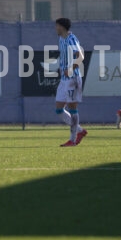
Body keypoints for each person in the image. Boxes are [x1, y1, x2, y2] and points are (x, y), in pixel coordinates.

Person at [54, 18, 88, 147]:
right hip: (64, 79)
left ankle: (72, 140)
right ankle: (80, 130)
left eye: (57, 26)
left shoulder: (71, 39)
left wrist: (70, 68)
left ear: (62, 27)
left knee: (72, 108)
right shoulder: (61, 39)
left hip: (72, 78)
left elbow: (81, 56)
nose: (55, 28)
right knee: (59, 109)